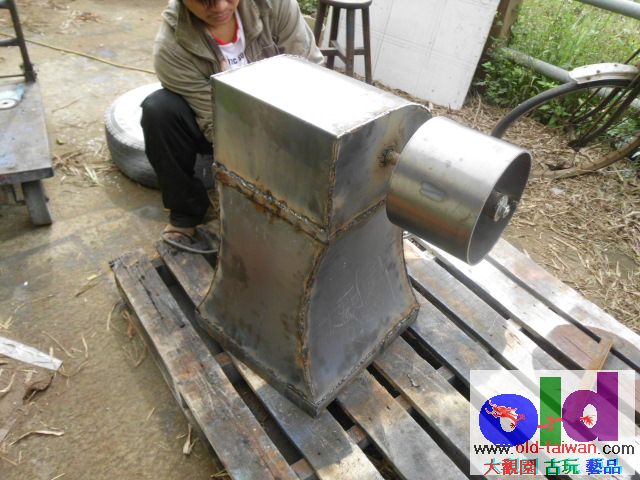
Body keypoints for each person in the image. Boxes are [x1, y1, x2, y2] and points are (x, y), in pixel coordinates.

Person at [141, 0, 323, 252]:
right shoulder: (171, 47)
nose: (220, 7)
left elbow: (310, 72)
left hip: (283, 113)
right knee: (159, 110)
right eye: (205, 1)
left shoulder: (276, 5)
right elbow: (213, 121)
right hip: (221, 122)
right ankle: (186, 214)